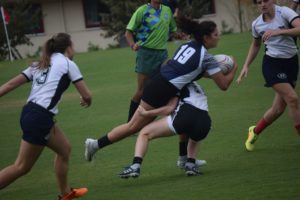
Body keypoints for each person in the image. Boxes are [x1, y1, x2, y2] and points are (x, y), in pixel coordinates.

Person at [85, 17, 238, 167]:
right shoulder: (207, 58)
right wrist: (234, 68)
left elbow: (177, 66)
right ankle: (95, 144)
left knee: (187, 112)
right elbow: (223, 85)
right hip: (162, 88)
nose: (219, 37)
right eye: (216, 34)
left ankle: (184, 158)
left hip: (161, 81)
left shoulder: (188, 45)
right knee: (133, 127)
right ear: (206, 37)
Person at [0, 33, 92, 200]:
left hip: (30, 112)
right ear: (68, 48)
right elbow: (86, 95)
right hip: (39, 117)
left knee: (64, 149)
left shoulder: (40, 63)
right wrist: (87, 101)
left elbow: (11, 83)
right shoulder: (68, 64)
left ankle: (65, 194)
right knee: (21, 167)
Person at [237, 0, 300, 151]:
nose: (263, 4)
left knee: (278, 109)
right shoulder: (256, 24)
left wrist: (279, 31)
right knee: (292, 98)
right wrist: (246, 65)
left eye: (265, 0)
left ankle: (255, 131)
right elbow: (256, 44)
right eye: (259, 2)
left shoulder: (284, 12)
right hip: (271, 64)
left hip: (291, 63)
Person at [118, 81, 214, 177]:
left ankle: (135, 165)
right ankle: (190, 163)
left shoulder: (178, 83)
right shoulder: (196, 85)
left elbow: (169, 109)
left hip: (185, 117)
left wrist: (147, 113)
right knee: (194, 135)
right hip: (205, 123)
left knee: (144, 133)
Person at [125, 0, 177, 122]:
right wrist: (133, 45)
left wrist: (181, 35)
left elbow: (173, 30)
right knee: (142, 90)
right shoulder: (142, 11)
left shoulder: (167, 10)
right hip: (146, 54)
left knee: (164, 86)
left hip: (163, 54)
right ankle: (130, 123)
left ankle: (169, 118)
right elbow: (128, 33)